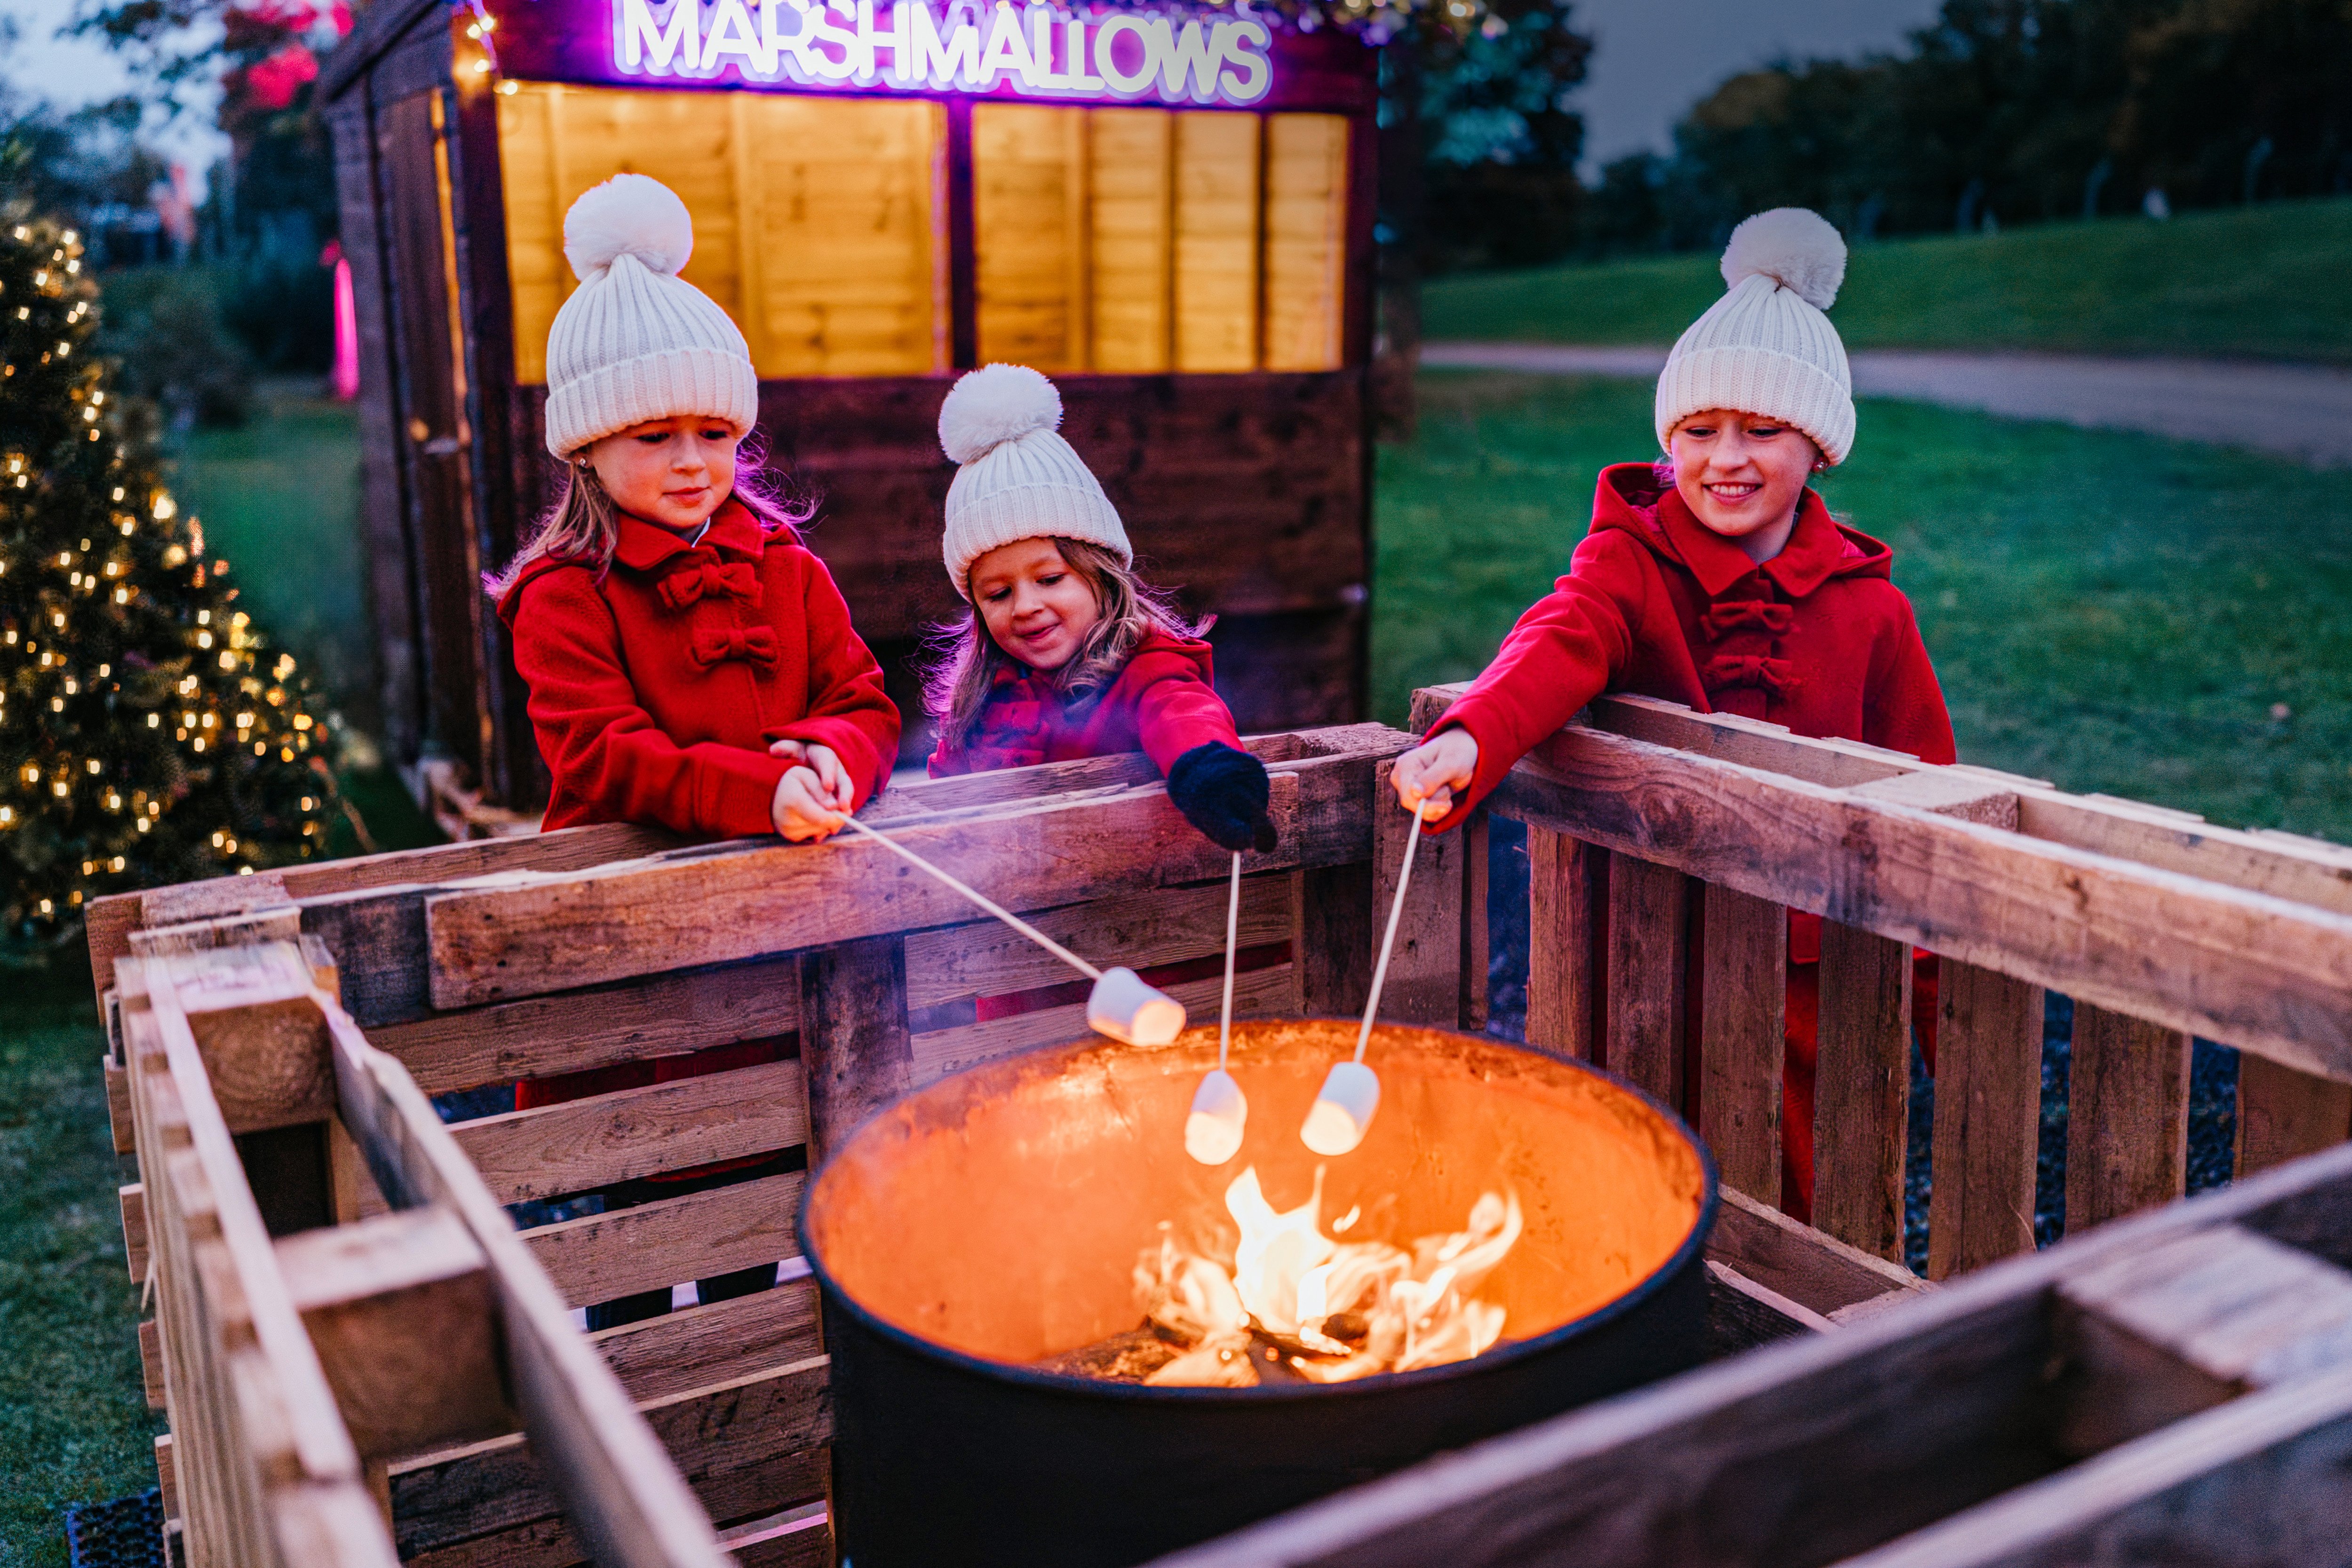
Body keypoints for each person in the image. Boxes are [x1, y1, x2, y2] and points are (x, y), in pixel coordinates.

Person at [1388, 208, 1953, 1219]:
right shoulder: (1629, 566)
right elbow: (1560, 636)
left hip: (1806, 963)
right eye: (1698, 431)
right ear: (1667, 440)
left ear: (1818, 447)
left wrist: (1934, 1007)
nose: (1725, 459)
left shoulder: (1874, 612)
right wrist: (1472, 732)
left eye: (1761, 430)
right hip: (1644, 937)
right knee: (1622, 1148)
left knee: (1797, 1178)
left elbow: (1929, 797)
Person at [489, 173, 901, 1326]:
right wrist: (759, 790)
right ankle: (631, 1412)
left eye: (715, 433)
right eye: (654, 435)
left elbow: (865, 700)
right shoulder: (564, 596)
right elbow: (607, 753)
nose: (691, 461)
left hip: (770, 946)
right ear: (586, 446)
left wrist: (827, 759)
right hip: (631, 944)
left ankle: (743, 1395)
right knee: (628, 1216)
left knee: (750, 1198)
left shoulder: (788, 570)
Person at [922, 362, 1275, 857]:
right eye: (997, 594)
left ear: (1100, 574)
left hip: (1126, 904)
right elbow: (945, 793)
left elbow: (1180, 713)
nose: (1025, 606)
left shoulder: (1144, 666)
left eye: (1049, 579)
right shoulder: (982, 696)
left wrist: (1208, 771)